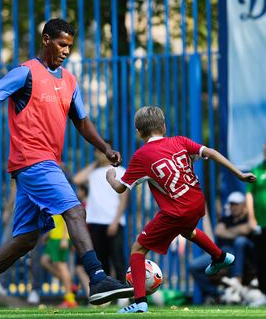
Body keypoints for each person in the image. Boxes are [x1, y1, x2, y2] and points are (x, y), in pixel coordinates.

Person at [0, 18, 133, 315]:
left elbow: (82, 122)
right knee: (74, 210)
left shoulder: (69, 81)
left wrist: (105, 147)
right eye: (61, 44)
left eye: (69, 46)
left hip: (43, 164)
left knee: (24, 240)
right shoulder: (25, 73)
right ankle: (97, 276)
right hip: (33, 161)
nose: (65, 51)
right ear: (46, 40)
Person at [106, 106, 256, 314]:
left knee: (137, 250)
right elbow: (210, 152)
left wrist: (110, 177)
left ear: (138, 132)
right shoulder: (180, 141)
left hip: (177, 210)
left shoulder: (141, 156)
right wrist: (239, 174)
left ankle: (140, 303)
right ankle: (220, 257)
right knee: (188, 231)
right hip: (196, 202)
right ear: (164, 127)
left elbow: (120, 188)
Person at [73, 142, 128, 281]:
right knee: (102, 261)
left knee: (118, 260)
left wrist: (115, 222)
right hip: (95, 222)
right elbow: (76, 179)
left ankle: (126, 295)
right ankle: (109, 296)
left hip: (113, 222)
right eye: (97, 151)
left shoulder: (121, 171)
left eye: (103, 150)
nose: (100, 154)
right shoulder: (93, 172)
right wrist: (95, 164)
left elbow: (123, 199)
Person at [189, 191, 254, 302]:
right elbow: (219, 231)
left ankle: (236, 281)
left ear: (243, 205)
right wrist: (239, 231)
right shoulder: (226, 218)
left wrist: (229, 232)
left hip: (242, 256)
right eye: (232, 204)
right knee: (194, 266)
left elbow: (248, 228)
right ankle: (219, 294)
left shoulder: (248, 218)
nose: (234, 207)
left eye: (236, 204)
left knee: (240, 241)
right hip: (222, 253)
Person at [40, 215, 77, 308]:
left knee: (61, 266)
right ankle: (70, 284)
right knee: (44, 261)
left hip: (60, 238)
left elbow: (66, 219)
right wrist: (48, 234)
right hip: (53, 238)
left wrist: (64, 238)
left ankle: (70, 300)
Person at [247, 143, 266, 296]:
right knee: (261, 259)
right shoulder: (257, 170)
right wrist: (252, 219)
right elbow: (249, 195)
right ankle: (263, 293)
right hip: (262, 224)